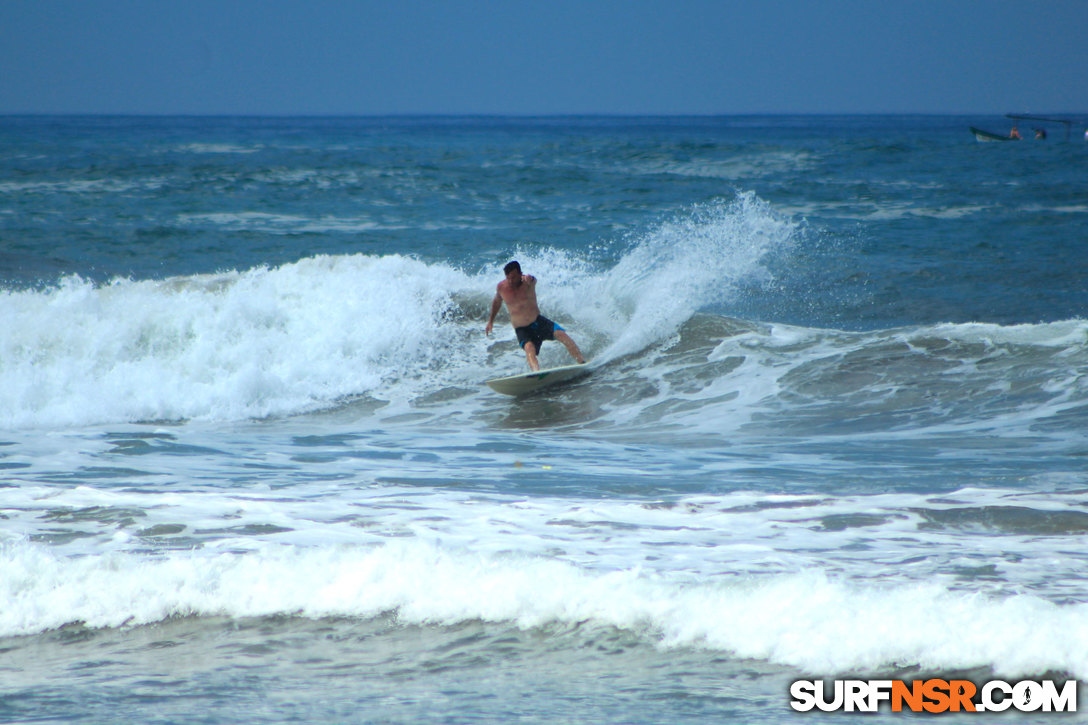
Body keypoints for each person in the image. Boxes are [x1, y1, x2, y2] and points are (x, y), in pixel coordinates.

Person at [485, 260, 585, 371]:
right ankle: (536, 373)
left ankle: (582, 362)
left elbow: (533, 279)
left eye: (513, 277)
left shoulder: (528, 283)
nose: (510, 281)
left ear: (520, 273)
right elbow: (497, 302)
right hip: (522, 329)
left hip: (538, 321)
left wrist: (530, 278)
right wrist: (490, 321)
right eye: (508, 277)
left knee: (562, 334)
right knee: (529, 348)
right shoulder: (501, 287)